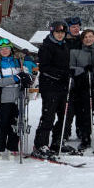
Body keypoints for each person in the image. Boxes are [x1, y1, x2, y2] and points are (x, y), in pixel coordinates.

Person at [33, 21, 71, 158]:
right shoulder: (47, 46)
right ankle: (40, 144)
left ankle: (57, 142)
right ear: (52, 33)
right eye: (57, 32)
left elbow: (66, 65)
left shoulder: (64, 46)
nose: (60, 35)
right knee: (48, 116)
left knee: (63, 116)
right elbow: (44, 67)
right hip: (50, 86)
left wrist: (70, 72)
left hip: (63, 86)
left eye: (62, 33)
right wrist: (60, 74)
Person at [0, 38, 30, 158]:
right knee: (4, 122)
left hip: (19, 94)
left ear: (11, 49)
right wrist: (16, 78)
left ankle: (12, 147)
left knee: (17, 121)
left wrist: (27, 78)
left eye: (6, 48)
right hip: (6, 95)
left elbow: (27, 75)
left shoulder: (19, 61)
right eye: (1, 49)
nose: (4, 50)